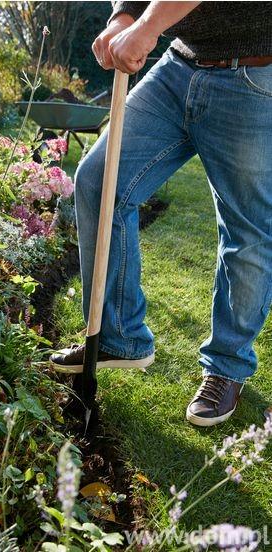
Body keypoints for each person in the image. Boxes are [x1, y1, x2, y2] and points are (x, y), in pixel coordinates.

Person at [50, 1, 272, 427]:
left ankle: (227, 367)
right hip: (179, 65)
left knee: (247, 233)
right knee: (100, 182)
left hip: (254, 72)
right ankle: (119, 337)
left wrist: (150, 25)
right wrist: (124, 18)